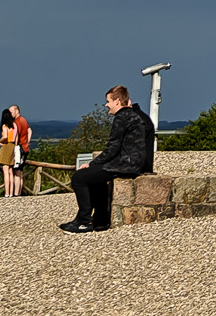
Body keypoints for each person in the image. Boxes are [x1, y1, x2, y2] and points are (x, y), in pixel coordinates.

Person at [60, 86, 155, 233]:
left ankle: (85, 221)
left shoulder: (122, 117)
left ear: (117, 101)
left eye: (108, 101)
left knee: (79, 178)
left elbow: (112, 148)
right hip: (131, 163)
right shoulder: (132, 116)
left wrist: (92, 164)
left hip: (125, 165)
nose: (106, 105)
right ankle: (100, 220)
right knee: (96, 179)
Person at [8, 104, 31, 196]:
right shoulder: (24, 120)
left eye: (11, 112)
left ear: (16, 111)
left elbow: (16, 136)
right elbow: (29, 130)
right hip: (25, 148)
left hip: (19, 148)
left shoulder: (16, 122)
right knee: (20, 171)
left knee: (16, 172)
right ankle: (19, 192)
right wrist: (27, 142)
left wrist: (15, 145)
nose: (10, 114)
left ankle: (16, 193)